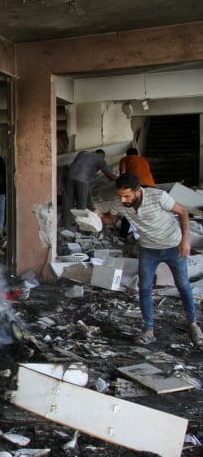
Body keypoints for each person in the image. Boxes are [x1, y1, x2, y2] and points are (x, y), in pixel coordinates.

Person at [98, 173, 203, 346]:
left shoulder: (158, 197)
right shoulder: (120, 203)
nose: (123, 200)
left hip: (173, 246)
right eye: (120, 196)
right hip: (148, 249)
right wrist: (98, 217)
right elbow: (110, 219)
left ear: (138, 191)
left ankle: (192, 324)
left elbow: (183, 212)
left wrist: (185, 241)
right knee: (145, 287)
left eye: (127, 196)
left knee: (183, 285)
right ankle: (148, 329)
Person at [62, 149, 117, 230]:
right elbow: (111, 177)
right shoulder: (100, 159)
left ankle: (66, 226)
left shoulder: (83, 153)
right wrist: (122, 179)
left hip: (68, 177)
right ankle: (82, 228)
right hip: (82, 180)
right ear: (102, 156)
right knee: (81, 205)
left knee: (68, 203)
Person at [118, 147, 155, 237]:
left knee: (129, 208)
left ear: (127, 154)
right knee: (148, 209)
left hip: (136, 185)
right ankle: (150, 233)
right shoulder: (144, 160)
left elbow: (123, 174)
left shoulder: (125, 159)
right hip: (151, 185)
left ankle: (123, 234)